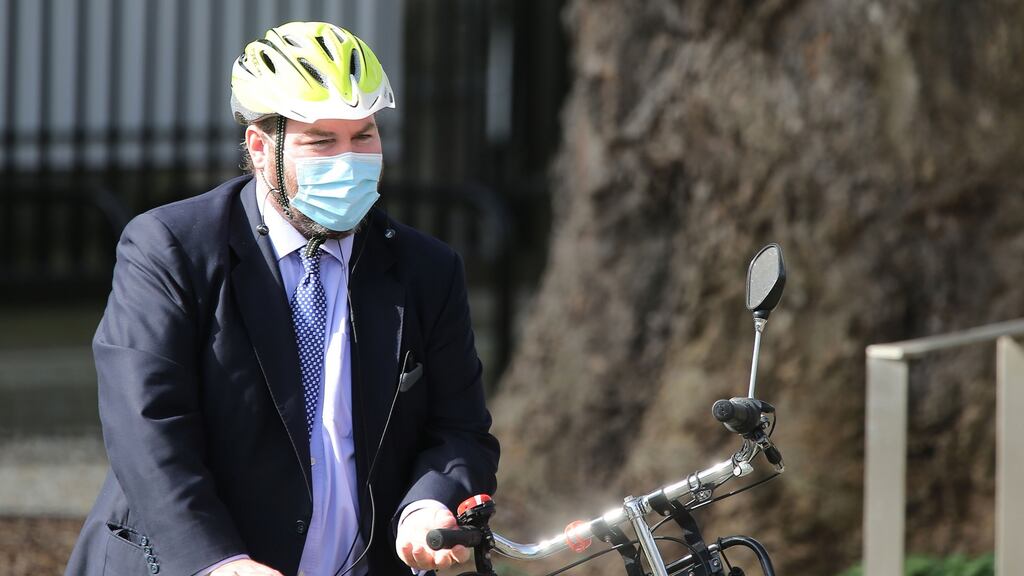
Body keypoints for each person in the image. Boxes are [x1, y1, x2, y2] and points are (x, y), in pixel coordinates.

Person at [66, 21, 500, 576]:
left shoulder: (427, 268)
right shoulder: (170, 249)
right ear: (258, 146)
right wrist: (218, 562)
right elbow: (146, 430)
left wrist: (427, 503)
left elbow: (460, 430)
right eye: (322, 141)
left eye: (364, 135)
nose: (349, 159)